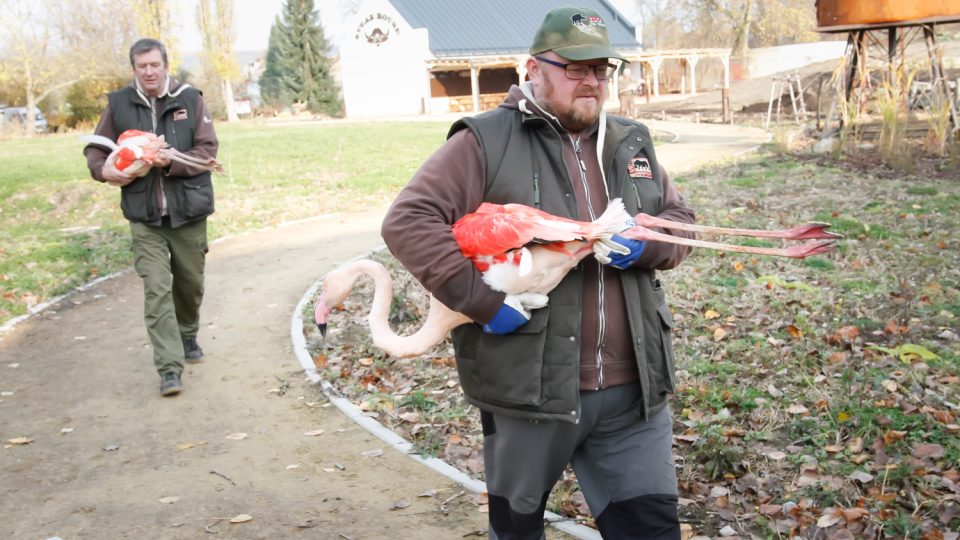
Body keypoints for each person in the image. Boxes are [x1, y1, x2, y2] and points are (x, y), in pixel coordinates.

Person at [381, 6, 695, 539]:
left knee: (652, 531)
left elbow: (681, 223)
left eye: (601, 69)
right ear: (532, 68)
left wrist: (642, 247)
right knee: (519, 532)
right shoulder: (484, 141)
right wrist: (482, 304)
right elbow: (408, 221)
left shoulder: (630, 141)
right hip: (530, 394)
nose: (592, 82)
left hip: (633, 394)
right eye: (576, 68)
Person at [83, 38, 218, 397]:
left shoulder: (190, 99)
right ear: (134, 69)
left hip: (188, 214)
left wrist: (169, 161)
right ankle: (169, 368)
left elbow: (207, 151)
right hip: (145, 219)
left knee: (189, 287)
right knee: (157, 290)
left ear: (165, 65)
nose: (149, 71)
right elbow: (95, 149)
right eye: (142, 66)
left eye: (154, 65)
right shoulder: (119, 104)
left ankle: (188, 333)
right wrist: (104, 170)